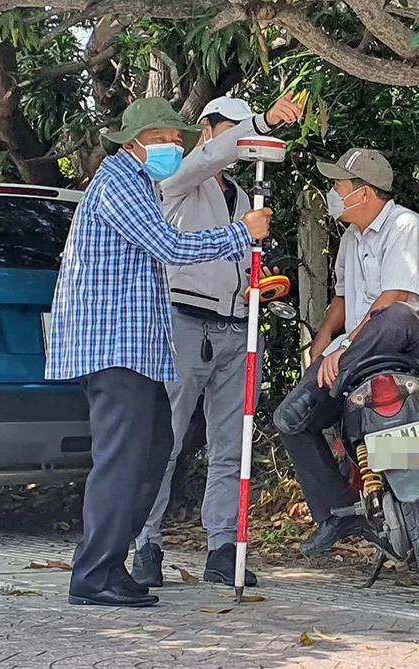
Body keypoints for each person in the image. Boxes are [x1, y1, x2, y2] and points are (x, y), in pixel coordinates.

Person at [46, 97, 272, 608]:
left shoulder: (139, 183)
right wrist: (242, 232)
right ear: (134, 142)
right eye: (164, 139)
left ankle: (112, 565)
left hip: (140, 348)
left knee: (152, 453)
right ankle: (94, 573)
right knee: (122, 460)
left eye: (176, 139)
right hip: (114, 345)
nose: (173, 147)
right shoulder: (118, 183)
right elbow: (170, 247)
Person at [130, 94, 303, 589]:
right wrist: (264, 120)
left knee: (231, 446)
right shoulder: (180, 180)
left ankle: (223, 546)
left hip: (235, 326)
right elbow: (212, 157)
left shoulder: (248, 202)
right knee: (166, 440)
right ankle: (148, 543)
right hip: (183, 323)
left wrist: (258, 283)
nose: (241, 145)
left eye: (246, 137)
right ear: (207, 133)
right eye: (230, 133)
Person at [272, 148, 419, 556]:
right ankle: (338, 514)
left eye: (339, 185)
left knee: (395, 315)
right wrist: (322, 344)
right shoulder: (351, 240)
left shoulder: (406, 226)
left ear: (366, 192)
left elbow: (395, 297)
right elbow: (340, 300)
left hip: (418, 348)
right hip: (355, 359)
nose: (333, 193)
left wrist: (346, 347)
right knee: (290, 420)